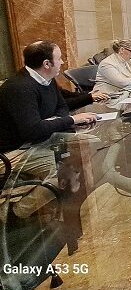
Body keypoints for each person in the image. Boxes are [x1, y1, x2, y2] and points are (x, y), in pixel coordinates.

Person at [0, 41, 98, 220]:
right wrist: (69, 120)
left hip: (36, 142)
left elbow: (61, 107)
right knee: (63, 174)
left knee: (83, 155)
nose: (62, 62)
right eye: (59, 58)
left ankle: (53, 213)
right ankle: (15, 213)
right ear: (47, 64)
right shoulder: (19, 87)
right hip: (13, 152)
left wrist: (53, 121)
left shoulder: (48, 80)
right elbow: (33, 130)